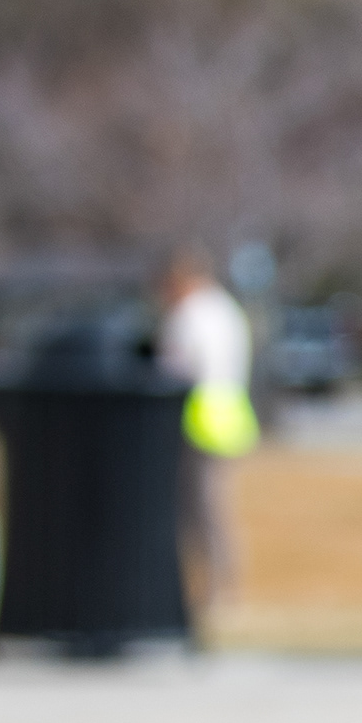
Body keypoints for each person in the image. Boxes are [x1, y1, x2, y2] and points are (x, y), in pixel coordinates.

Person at [152, 245, 255, 620]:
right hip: (229, 416)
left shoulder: (191, 314)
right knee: (214, 508)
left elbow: (177, 367)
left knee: (203, 511)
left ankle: (217, 591)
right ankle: (220, 587)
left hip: (199, 419)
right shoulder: (226, 309)